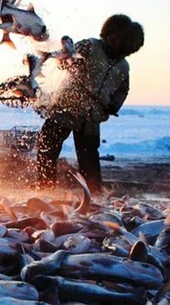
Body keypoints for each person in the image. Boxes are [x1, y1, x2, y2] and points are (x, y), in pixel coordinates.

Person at [36, 13, 144, 193]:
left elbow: (122, 90)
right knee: (47, 146)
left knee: (89, 159)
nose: (115, 42)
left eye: (121, 40)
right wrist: (68, 60)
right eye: (114, 37)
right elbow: (65, 59)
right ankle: (45, 189)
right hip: (66, 106)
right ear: (108, 33)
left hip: (92, 117)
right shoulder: (90, 45)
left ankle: (94, 194)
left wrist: (114, 106)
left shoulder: (123, 66)